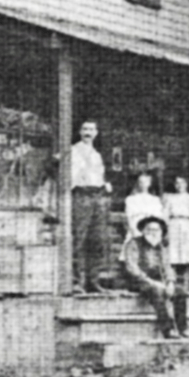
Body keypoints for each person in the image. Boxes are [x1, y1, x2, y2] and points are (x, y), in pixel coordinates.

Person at [123, 216, 188, 339]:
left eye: (156, 230)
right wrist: (151, 282)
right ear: (143, 230)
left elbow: (168, 266)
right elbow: (132, 268)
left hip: (159, 282)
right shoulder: (133, 244)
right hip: (139, 282)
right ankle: (168, 330)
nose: (153, 233)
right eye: (149, 230)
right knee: (157, 291)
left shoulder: (161, 247)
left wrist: (170, 282)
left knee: (180, 292)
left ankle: (182, 328)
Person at [71, 120, 111, 293]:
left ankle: (93, 280)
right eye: (85, 129)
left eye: (92, 129)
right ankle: (76, 281)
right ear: (80, 132)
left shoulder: (96, 154)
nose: (88, 132)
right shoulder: (73, 151)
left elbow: (97, 176)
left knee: (97, 239)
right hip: (82, 195)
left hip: (98, 196)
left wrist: (105, 185)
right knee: (79, 238)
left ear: (96, 133)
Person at [121, 172, 166, 260]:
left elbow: (157, 216)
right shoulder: (131, 199)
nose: (143, 184)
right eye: (141, 182)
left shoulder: (155, 199)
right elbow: (129, 216)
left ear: (149, 183)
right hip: (136, 226)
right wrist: (133, 230)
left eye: (145, 182)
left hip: (150, 227)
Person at [163, 176, 189, 285]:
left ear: (186, 184)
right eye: (177, 183)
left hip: (186, 224)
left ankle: (186, 283)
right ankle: (172, 281)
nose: (179, 185)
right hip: (174, 224)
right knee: (174, 253)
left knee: (185, 254)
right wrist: (165, 229)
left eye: (182, 183)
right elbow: (165, 214)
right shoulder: (170, 197)